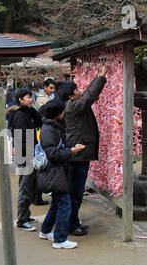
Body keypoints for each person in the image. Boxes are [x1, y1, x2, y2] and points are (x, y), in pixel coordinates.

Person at [60, 65, 111, 236]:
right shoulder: (72, 105)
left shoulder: (72, 104)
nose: (79, 90)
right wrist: (102, 76)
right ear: (70, 94)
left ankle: (72, 222)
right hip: (78, 155)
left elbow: (88, 93)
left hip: (79, 154)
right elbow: (90, 95)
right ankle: (71, 225)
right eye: (76, 89)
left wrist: (97, 77)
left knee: (75, 192)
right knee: (75, 192)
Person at [38, 99, 86, 249]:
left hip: (58, 170)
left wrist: (72, 147)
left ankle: (45, 231)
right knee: (65, 205)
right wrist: (71, 151)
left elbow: (59, 146)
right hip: (54, 171)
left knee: (57, 204)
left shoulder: (53, 127)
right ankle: (59, 239)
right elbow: (52, 154)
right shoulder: (48, 129)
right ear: (57, 113)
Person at [8, 88, 42, 231]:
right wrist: (28, 157)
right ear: (20, 100)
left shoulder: (27, 112)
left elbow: (38, 121)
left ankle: (26, 216)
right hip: (26, 155)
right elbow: (23, 137)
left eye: (30, 97)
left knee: (29, 185)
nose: (30, 99)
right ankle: (22, 221)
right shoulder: (20, 115)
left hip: (29, 153)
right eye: (27, 97)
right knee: (25, 187)